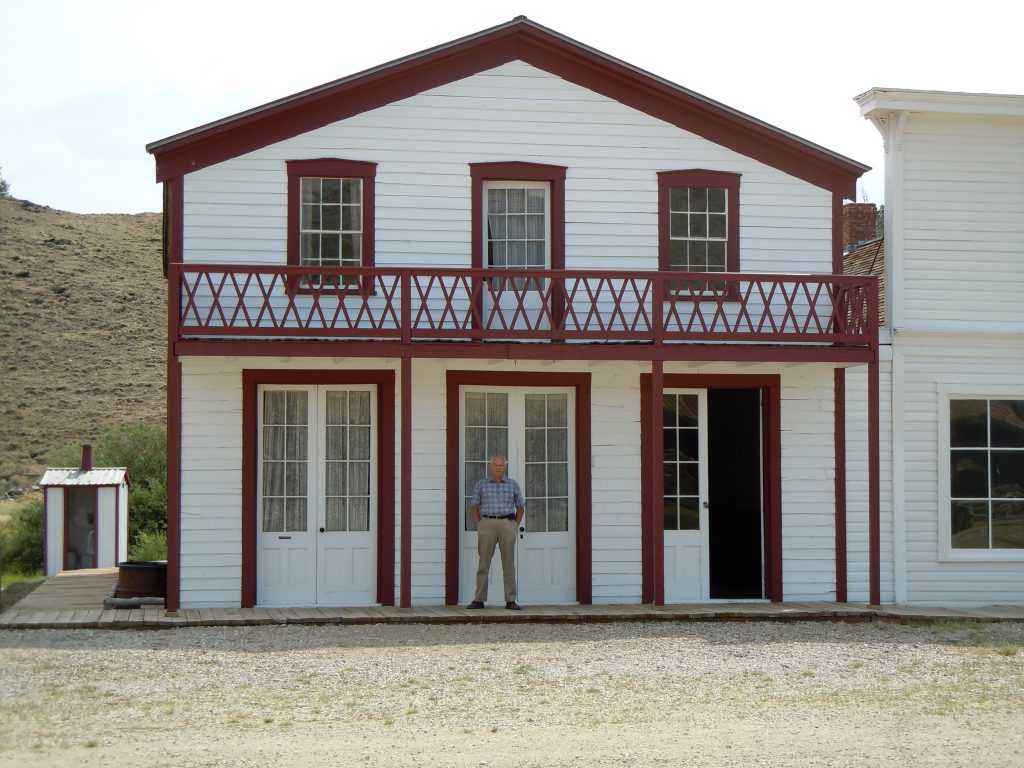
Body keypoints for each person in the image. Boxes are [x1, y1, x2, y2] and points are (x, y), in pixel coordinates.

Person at [467, 454, 525, 610]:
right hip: (487, 523)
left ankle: (510, 600)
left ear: (504, 467)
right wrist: (480, 525)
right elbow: (474, 507)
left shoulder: (513, 484)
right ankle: (479, 599)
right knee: (483, 563)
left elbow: (520, 507)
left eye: (501, 465)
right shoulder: (481, 484)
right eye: (495, 465)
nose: (498, 468)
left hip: (507, 524)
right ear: (491, 467)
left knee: (508, 564)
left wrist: (514, 526)